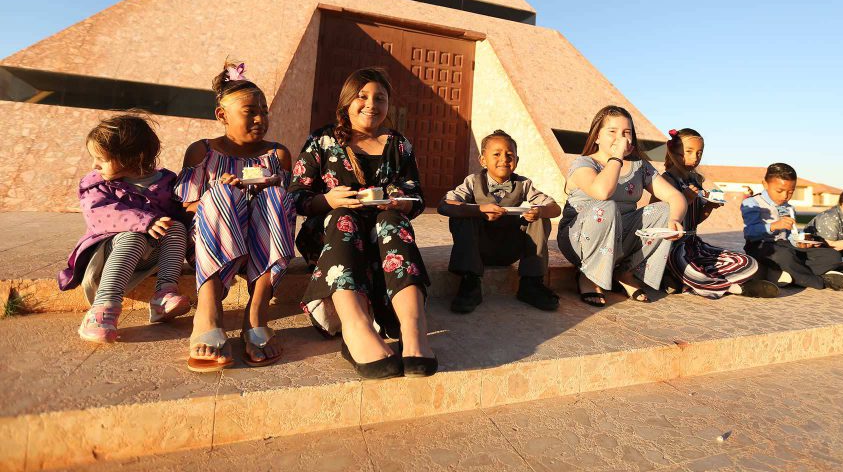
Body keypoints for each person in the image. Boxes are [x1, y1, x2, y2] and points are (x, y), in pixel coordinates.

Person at [290, 67, 436, 379]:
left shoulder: (399, 145)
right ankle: (355, 328)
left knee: (392, 221)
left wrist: (398, 203)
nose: (371, 103)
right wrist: (329, 200)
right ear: (347, 102)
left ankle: (413, 332)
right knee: (344, 218)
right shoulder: (323, 140)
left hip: (382, 239)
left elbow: (417, 197)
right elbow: (297, 196)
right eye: (363, 96)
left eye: (379, 98)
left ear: (388, 105)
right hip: (332, 235)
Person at [175, 62, 295, 372]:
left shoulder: (277, 155)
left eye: (264, 111)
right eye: (250, 111)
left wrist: (269, 186)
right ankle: (209, 312)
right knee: (221, 193)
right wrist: (221, 192)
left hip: (263, 245)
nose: (260, 118)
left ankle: (256, 314)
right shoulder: (203, 151)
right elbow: (187, 205)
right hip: (212, 244)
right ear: (221, 115)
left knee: (278, 195)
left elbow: (287, 209)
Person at [60, 114, 189, 343]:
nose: (94, 165)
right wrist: (145, 222)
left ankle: (164, 294)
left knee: (177, 227)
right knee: (134, 237)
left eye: (101, 158)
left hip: (148, 259)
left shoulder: (166, 183)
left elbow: (182, 212)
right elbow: (99, 214)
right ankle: (102, 310)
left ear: (132, 157)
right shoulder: (96, 184)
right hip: (107, 256)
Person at [558, 106, 687, 307]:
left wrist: (675, 220)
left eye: (626, 133)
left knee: (665, 209)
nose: (620, 138)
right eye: (612, 131)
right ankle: (588, 276)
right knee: (606, 206)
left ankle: (625, 273)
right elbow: (602, 192)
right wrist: (616, 158)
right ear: (597, 136)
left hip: (620, 238)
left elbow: (674, 195)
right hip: (580, 239)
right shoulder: (583, 164)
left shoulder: (640, 167)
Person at [438, 129, 562, 313]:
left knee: (540, 218)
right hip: (478, 249)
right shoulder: (472, 182)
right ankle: (470, 283)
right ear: (482, 160)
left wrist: (539, 211)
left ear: (517, 161)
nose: (504, 159)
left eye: (509, 155)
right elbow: (444, 205)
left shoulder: (524, 184)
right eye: (496, 154)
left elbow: (555, 208)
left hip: (509, 249)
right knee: (462, 213)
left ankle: (531, 284)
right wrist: (478, 209)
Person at [659, 128, 778, 298]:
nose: (695, 158)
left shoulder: (696, 180)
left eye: (699, 153)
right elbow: (654, 214)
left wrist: (708, 207)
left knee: (747, 261)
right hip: (673, 248)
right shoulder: (665, 180)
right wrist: (684, 200)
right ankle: (736, 287)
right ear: (673, 152)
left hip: (694, 245)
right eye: (689, 152)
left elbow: (695, 220)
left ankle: (683, 281)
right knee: (692, 270)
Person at [741, 163, 843, 291]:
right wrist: (774, 226)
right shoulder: (752, 203)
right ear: (765, 184)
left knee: (832, 256)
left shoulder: (789, 208)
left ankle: (784, 276)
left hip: (785, 246)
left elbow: (790, 236)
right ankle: (819, 281)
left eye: (791, 192)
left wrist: (801, 243)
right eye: (779, 191)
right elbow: (749, 232)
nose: (785, 196)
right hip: (761, 247)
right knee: (784, 255)